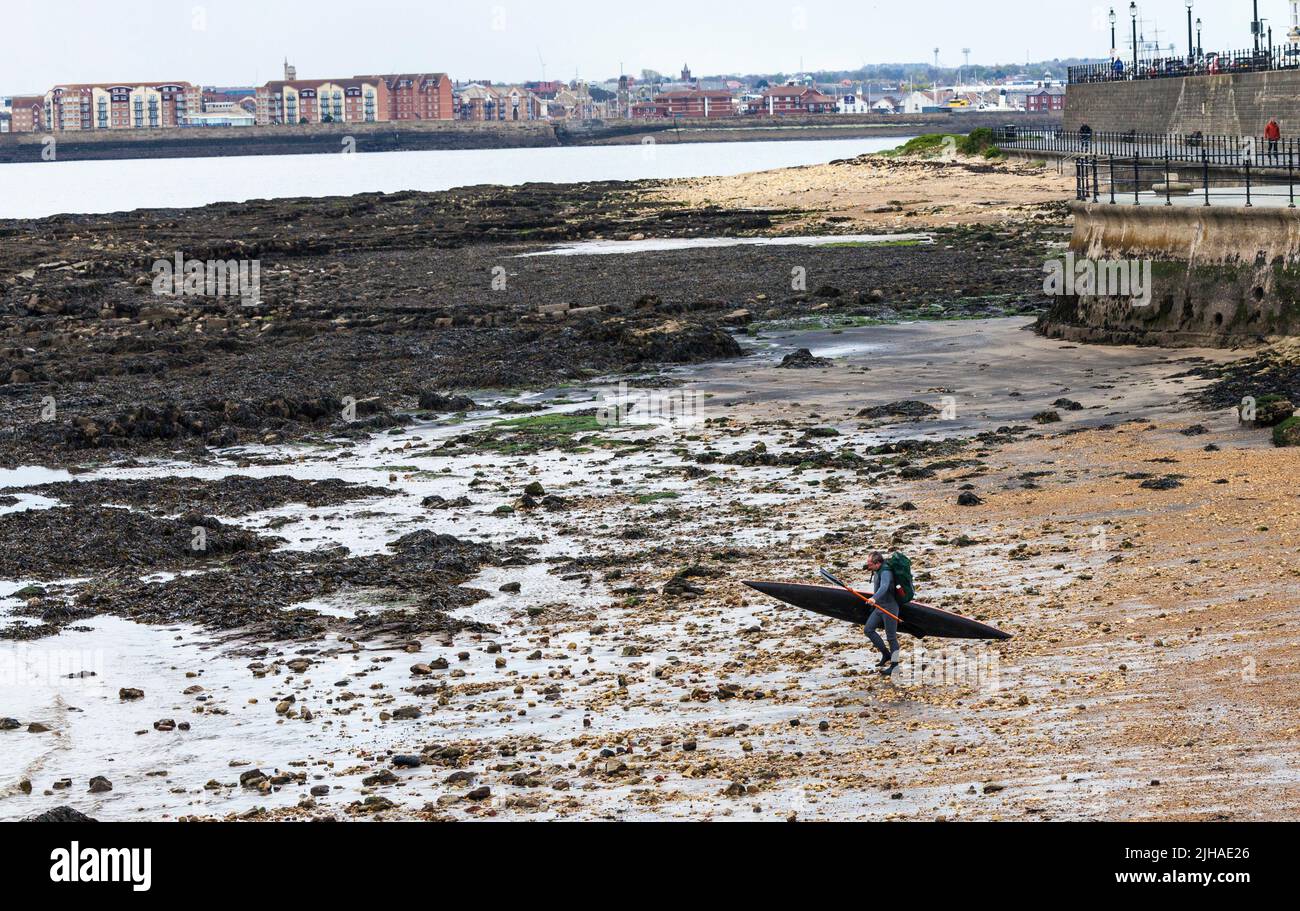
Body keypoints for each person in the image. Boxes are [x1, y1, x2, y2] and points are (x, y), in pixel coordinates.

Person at [863, 552, 902, 675]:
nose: (868, 566)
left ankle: (895, 666)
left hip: (890, 608)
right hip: (879, 607)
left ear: (877, 563)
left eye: (870, 564)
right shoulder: (876, 570)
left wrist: (874, 598)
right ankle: (886, 654)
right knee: (868, 629)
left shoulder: (885, 572)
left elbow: (884, 586)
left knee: (891, 637)